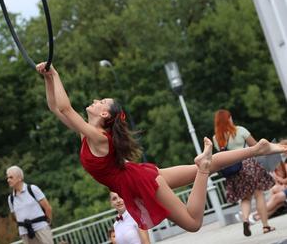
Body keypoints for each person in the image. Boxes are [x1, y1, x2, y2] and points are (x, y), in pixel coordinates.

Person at [36, 62, 287, 232]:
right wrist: (48, 78)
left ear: (103, 113)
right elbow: (55, 108)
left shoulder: (99, 138)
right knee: (200, 167)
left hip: (139, 181)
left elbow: (66, 108)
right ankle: (258, 149)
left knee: (192, 223)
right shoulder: (88, 135)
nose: (94, 100)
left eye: (101, 100)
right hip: (137, 174)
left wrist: (56, 74)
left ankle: (205, 166)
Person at [213, 109, 275, 237]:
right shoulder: (240, 130)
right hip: (248, 165)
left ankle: (246, 219)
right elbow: (256, 146)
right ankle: (265, 226)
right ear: (229, 119)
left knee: (245, 198)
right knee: (258, 195)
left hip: (234, 169)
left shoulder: (216, 138)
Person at [6, 166, 53, 244]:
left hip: (41, 229)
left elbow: (48, 208)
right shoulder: (10, 198)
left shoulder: (32, 189)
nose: (8, 180)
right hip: (25, 233)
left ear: (19, 178)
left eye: (11, 177)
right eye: (7, 178)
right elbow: (14, 217)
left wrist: (47, 225)